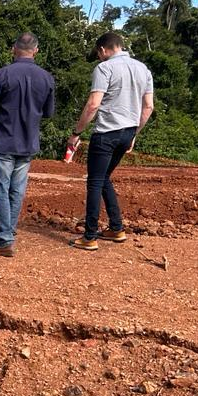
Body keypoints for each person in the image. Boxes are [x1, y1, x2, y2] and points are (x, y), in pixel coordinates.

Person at [66, 31, 154, 251]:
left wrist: (76, 133)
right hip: (127, 132)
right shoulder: (143, 69)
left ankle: (89, 236)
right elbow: (148, 107)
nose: (99, 57)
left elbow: (93, 104)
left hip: (106, 132)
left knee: (95, 181)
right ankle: (116, 228)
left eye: (98, 54)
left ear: (103, 49)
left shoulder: (104, 68)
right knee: (104, 177)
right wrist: (134, 133)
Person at [0, 32, 55, 256]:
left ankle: (5, 239)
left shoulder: (3, 74)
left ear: (13, 49)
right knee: (16, 191)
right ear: (36, 51)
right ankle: (8, 232)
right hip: (28, 143)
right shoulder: (46, 78)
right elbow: (49, 112)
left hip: (4, 141)